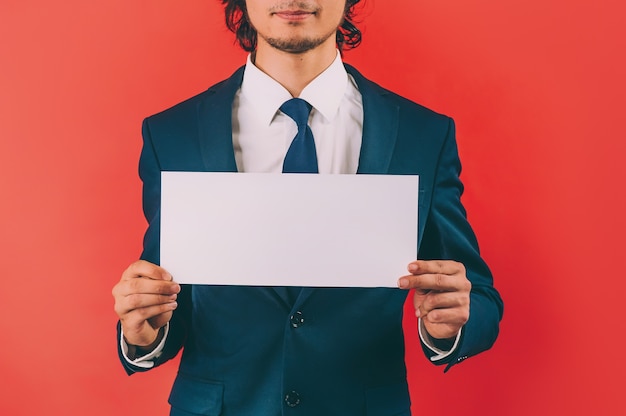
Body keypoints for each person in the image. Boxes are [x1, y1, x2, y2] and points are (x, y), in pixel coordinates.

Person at [112, 1, 503, 414]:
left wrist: (453, 321)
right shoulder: (172, 135)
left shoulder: (422, 134)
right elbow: (166, 298)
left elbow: (478, 296)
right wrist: (144, 332)